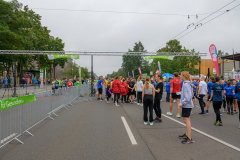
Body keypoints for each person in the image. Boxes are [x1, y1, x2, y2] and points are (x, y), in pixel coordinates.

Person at [179, 71, 194, 144]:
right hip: (187, 104)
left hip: (187, 105)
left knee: (187, 120)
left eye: (181, 75)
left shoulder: (186, 84)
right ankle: (187, 134)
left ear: (184, 76)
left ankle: (189, 137)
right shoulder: (186, 83)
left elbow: (188, 97)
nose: (180, 76)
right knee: (186, 120)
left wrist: (182, 103)